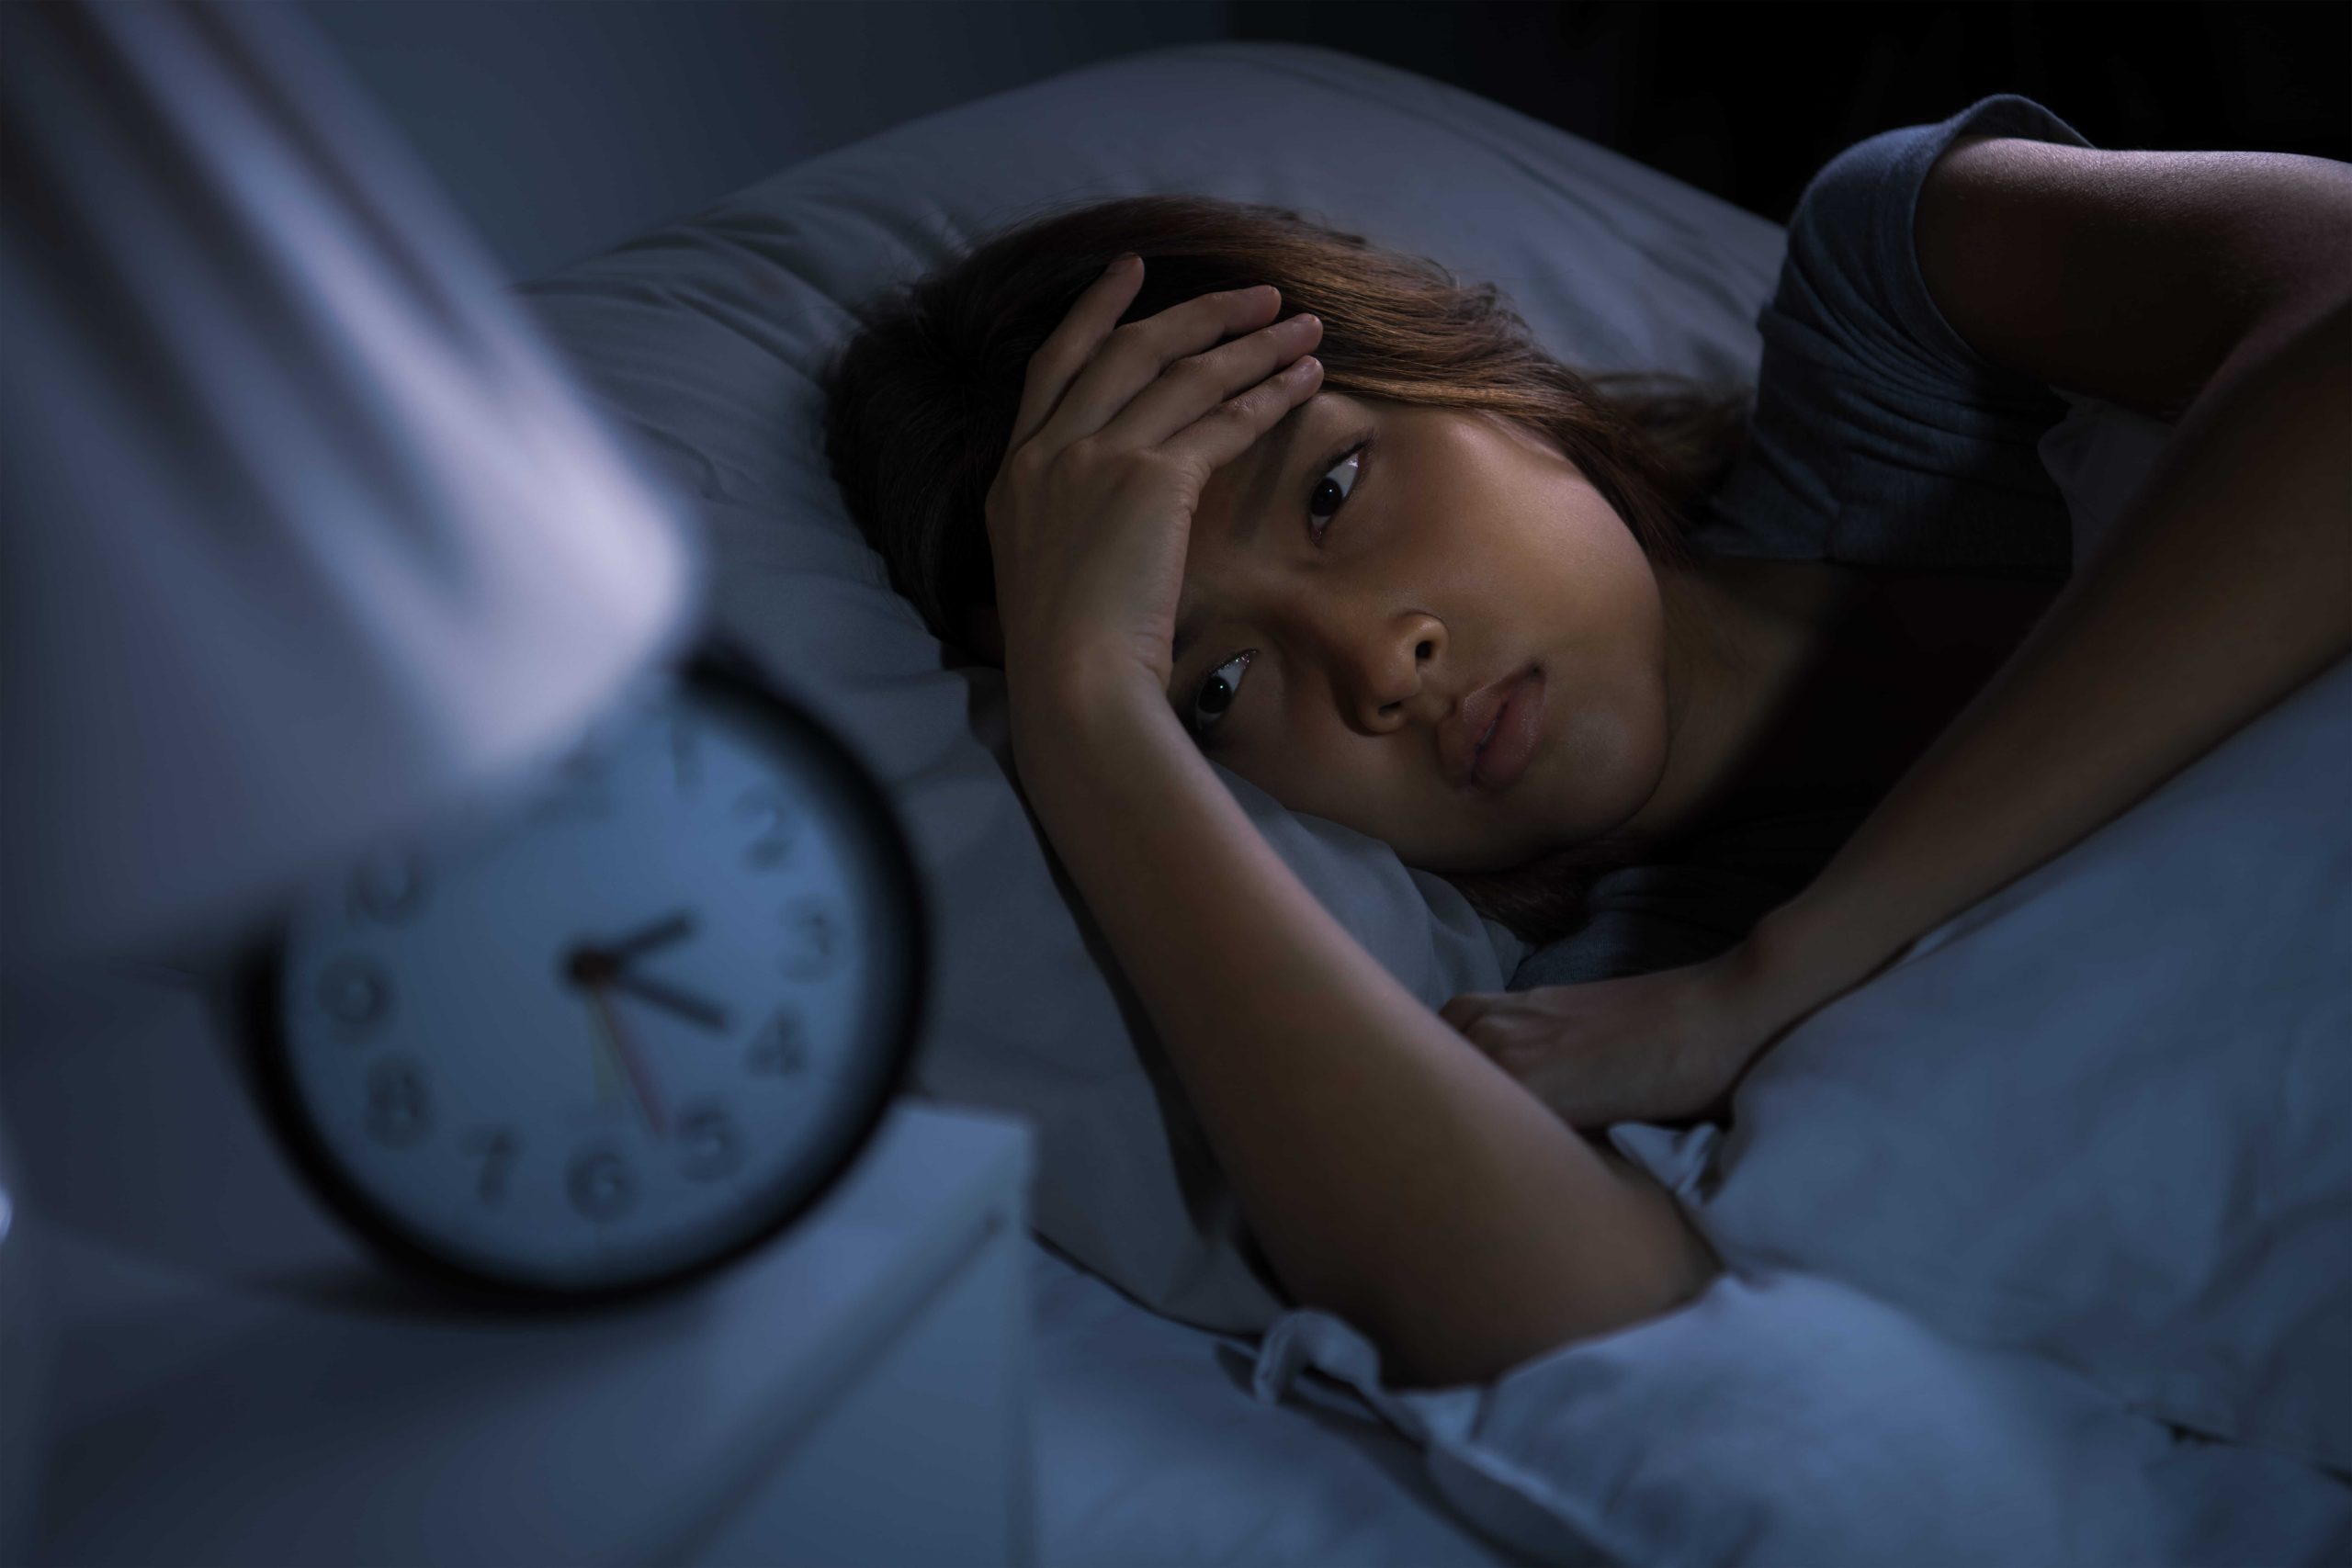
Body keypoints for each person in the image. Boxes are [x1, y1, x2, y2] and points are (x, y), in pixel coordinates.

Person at [815, 102, 2350, 1388]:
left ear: (1471, 375)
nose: (1377, 665)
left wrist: (1783, 975)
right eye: (1218, 689)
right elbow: (1590, 1349)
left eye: (1335, 491)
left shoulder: (1909, 331)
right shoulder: (1591, 1018)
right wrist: (1091, 709)